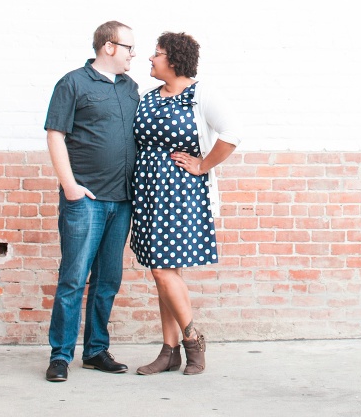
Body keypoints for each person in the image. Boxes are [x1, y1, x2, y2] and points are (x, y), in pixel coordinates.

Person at [131, 31, 240, 377]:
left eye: (157, 54)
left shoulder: (201, 94)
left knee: (164, 270)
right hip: (148, 194)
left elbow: (232, 133)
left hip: (181, 194)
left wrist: (202, 164)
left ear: (175, 60)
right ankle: (169, 351)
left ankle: (193, 340)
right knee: (163, 272)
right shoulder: (148, 97)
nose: (151, 58)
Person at [43, 20, 139, 383]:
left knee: (108, 280)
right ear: (109, 47)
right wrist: (70, 186)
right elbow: (55, 135)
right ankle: (61, 356)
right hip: (85, 199)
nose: (134, 54)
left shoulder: (131, 88)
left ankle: (96, 351)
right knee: (73, 279)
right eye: (129, 47)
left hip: (123, 200)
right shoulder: (73, 83)